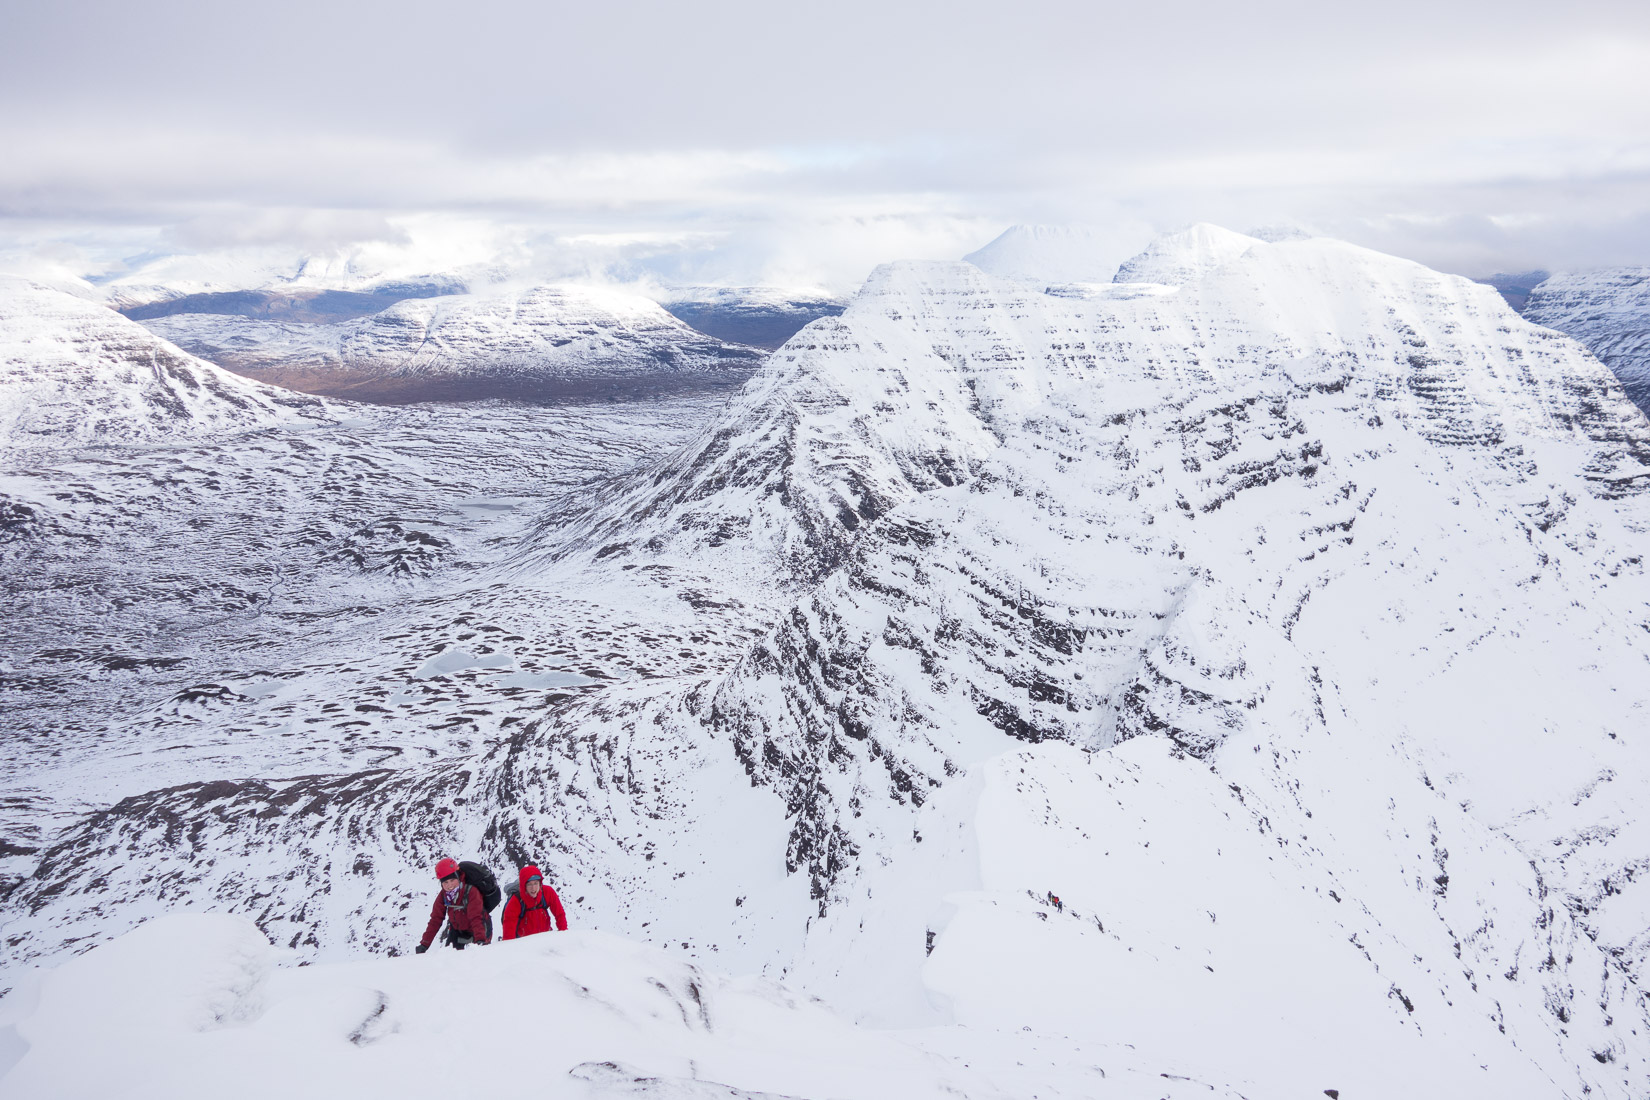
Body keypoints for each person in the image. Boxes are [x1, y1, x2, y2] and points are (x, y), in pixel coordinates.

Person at [415, 857, 492, 952]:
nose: (449, 885)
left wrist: (480, 940)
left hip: (480, 929)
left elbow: (476, 917)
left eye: (452, 880)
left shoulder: (471, 891)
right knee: (450, 960)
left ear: (458, 877)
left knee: (476, 961)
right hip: (458, 930)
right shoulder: (443, 895)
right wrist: (424, 944)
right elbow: (436, 919)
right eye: (445, 882)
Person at [501, 864, 568, 940]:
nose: (533, 888)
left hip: (545, 938)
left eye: (536, 883)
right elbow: (509, 927)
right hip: (524, 944)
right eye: (529, 884)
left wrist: (564, 936)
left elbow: (559, 914)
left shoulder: (547, 893)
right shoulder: (516, 901)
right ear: (524, 886)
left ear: (540, 883)